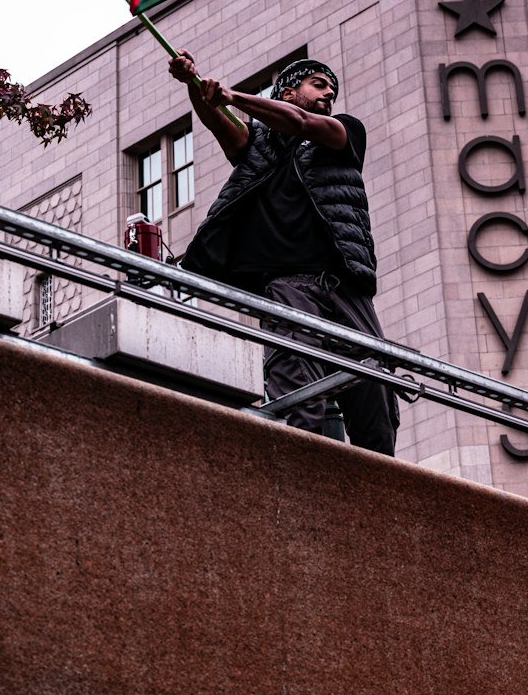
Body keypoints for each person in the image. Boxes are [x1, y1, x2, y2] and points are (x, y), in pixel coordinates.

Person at [168, 51, 398, 455]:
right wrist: (193, 83)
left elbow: (302, 123)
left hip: (347, 290)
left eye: (332, 89)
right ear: (288, 91)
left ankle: (379, 493)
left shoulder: (344, 132)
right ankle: (302, 483)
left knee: (376, 392)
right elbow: (220, 124)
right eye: (318, 84)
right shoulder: (258, 146)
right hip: (288, 286)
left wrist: (231, 96)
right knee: (300, 395)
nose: (329, 93)